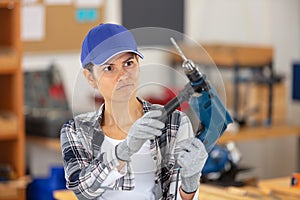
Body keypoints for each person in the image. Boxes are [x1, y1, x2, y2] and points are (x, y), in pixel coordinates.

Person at [60, 23, 208, 200]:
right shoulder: (76, 130)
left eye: (128, 63)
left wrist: (190, 184)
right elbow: (82, 190)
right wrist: (125, 150)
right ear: (91, 77)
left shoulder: (174, 124)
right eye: (109, 68)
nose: (123, 75)